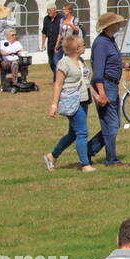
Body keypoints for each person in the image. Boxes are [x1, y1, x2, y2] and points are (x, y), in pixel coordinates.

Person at [45, 34, 95, 173]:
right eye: (83, 45)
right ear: (76, 49)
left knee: (73, 133)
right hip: (71, 100)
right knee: (82, 132)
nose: (85, 46)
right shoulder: (64, 63)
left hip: (83, 99)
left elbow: (86, 81)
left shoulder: (81, 61)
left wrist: (96, 96)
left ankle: (52, 156)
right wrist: (54, 105)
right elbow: (58, 84)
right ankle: (85, 164)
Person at [86, 12, 128, 168]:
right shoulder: (101, 43)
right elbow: (98, 71)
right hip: (104, 85)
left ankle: (88, 150)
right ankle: (110, 159)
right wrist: (101, 93)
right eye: (117, 23)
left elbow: (114, 63)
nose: (119, 25)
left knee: (113, 124)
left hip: (112, 85)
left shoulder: (110, 41)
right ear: (110, 26)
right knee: (111, 124)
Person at [41, 6, 61, 80]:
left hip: (59, 44)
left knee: (56, 61)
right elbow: (44, 32)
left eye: (50, 10)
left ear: (55, 10)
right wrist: (43, 44)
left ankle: (56, 79)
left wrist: (58, 44)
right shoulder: (46, 19)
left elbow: (61, 32)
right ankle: (57, 75)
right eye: (47, 10)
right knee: (51, 62)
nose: (48, 12)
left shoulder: (61, 18)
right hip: (50, 44)